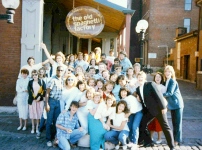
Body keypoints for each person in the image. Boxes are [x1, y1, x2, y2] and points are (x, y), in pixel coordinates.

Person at [136, 71, 175, 150]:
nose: (140, 78)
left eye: (141, 77)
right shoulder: (138, 89)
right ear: (137, 78)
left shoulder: (150, 84)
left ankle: (172, 146)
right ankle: (148, 142)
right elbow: (144, 101)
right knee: (142, 124)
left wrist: (163, 107)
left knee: (165, 127)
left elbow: (159, 95)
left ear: (144, 78)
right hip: (149, 111)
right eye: (139, 77)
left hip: (159, 110)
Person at [163, 65, 184, 146]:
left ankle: (177, 140)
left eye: (169, 71)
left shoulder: (173, 81)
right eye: (166, 71)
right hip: (172, 105)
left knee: (178, 124)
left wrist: (159, 94)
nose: (167, 73)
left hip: (178, 104)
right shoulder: (166, 81)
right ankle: (175, 139)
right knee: (174, 123)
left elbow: (169, 93)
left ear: (172, 73)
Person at [45, 66, 64, 147]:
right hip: (52, 101)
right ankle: (48, 139)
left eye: (61, 70)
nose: (60, 71)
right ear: (56, 71)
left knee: (57, 122)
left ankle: (55, 138)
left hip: (58, 102)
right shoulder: (53, 79)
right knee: (49, 121)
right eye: (58, 70)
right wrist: (46, 104)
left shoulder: (62, 80)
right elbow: (47, 92)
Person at [148, 72, 167, 144]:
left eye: (159, 77)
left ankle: (159, 138)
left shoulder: (163, 87)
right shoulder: (152, 85)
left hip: (160, 108)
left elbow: (164, 98)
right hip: (152, 108)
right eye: (156, 77)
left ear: (161, 78)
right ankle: (151, 137)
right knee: (151, 123)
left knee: (159, 123)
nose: (157, 78)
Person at [28, 70, 46, 134]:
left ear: (38, 75)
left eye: (36, 74)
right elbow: (29, 91)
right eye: (33, 75)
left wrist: (39, 97)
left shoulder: (41, 81)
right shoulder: (30, 82)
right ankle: (33, 127)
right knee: (32, 113)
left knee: (38, 113)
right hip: (32, 100)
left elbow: (43, 91)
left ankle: (37, 127)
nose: (34, 76)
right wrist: (34, 98)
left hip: (39, 100)